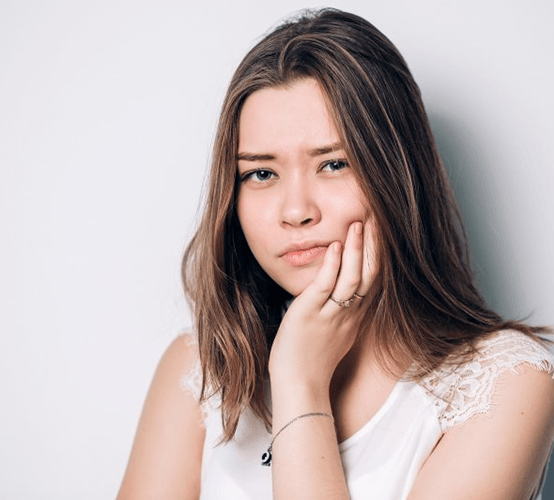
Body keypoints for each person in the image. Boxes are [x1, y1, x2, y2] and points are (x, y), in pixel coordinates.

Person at [117, 8, 554, 500]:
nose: (296, 211)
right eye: (261, 173)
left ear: (399, 175)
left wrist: (299, 380)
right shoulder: (198, 368)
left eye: (333, 163)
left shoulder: (507, 383)